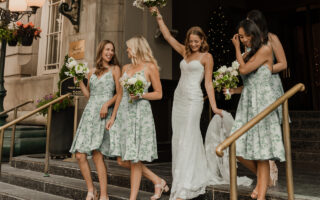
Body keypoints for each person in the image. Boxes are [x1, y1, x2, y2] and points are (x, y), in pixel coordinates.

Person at [150, 7, 223, 200]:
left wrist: (214, 106)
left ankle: (188, 184)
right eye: (191, 41)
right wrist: (158, 16)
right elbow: (167, 37)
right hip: (179, 99)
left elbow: (208, 83)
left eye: (196, 41)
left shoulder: (207, 57)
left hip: (194, 100)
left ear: (202, 41)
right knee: (179, 138)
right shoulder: (184, 52)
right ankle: (180, 179)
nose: (193, 44)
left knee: (189, 137)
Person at [106, 35, 168, 200]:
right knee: (121, 160)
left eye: (128, 47)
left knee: (134, 160)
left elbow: (159, 94)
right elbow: (120, 95)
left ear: (136, 48)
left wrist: (141, 94)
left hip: (140, 114)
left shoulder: (150, 67)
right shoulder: (126, 68)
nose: (126, 50)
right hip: (124, 115)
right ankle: (158, 180)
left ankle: (132, 198)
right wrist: (113, 116)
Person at [231, 19, 285, 200]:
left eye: (245, 36)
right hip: (247, 103)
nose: (243, 39)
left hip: (262, 102)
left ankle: (261, 194)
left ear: (254, 34)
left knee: (262, 152)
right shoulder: (250, 53)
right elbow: (244, 73)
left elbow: (244, 70)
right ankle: (265, 179)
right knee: (235, 147)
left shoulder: (265, 49)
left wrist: (237, 49)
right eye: (240, 37)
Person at [69, 40, 121, 200]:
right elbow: (89, 96)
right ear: (101, 51)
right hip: (90, 113)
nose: (110, 52)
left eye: (112, 50)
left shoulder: (115, 69)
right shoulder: (91, 72)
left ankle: (104, 195)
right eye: (107, 49)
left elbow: (120, 93)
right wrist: (78, 80)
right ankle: (91, 190)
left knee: (97, 154)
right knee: (79, 155)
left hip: (103, 114)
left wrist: (107, 106)